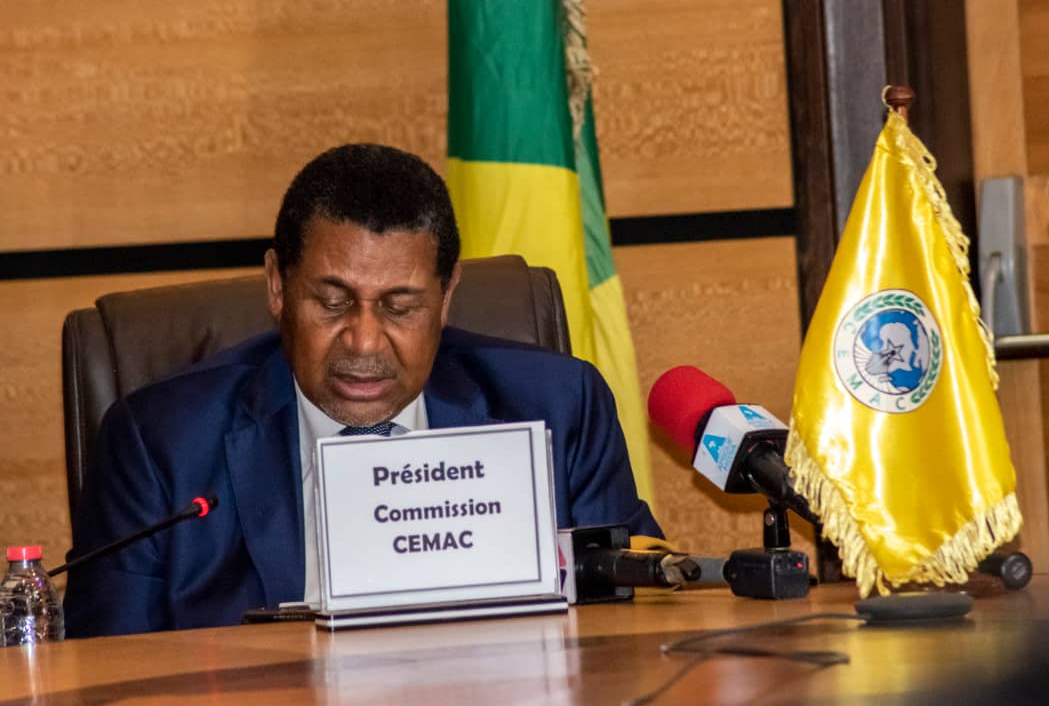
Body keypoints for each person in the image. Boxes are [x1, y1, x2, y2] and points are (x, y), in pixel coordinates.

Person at [64, 143, 663, 637]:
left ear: (446, 297)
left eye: (401, 307)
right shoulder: (160, 442)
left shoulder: (558, 407)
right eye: (332, 302)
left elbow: (632, 629)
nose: (365, 341)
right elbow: (109, 672)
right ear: (277, 286)